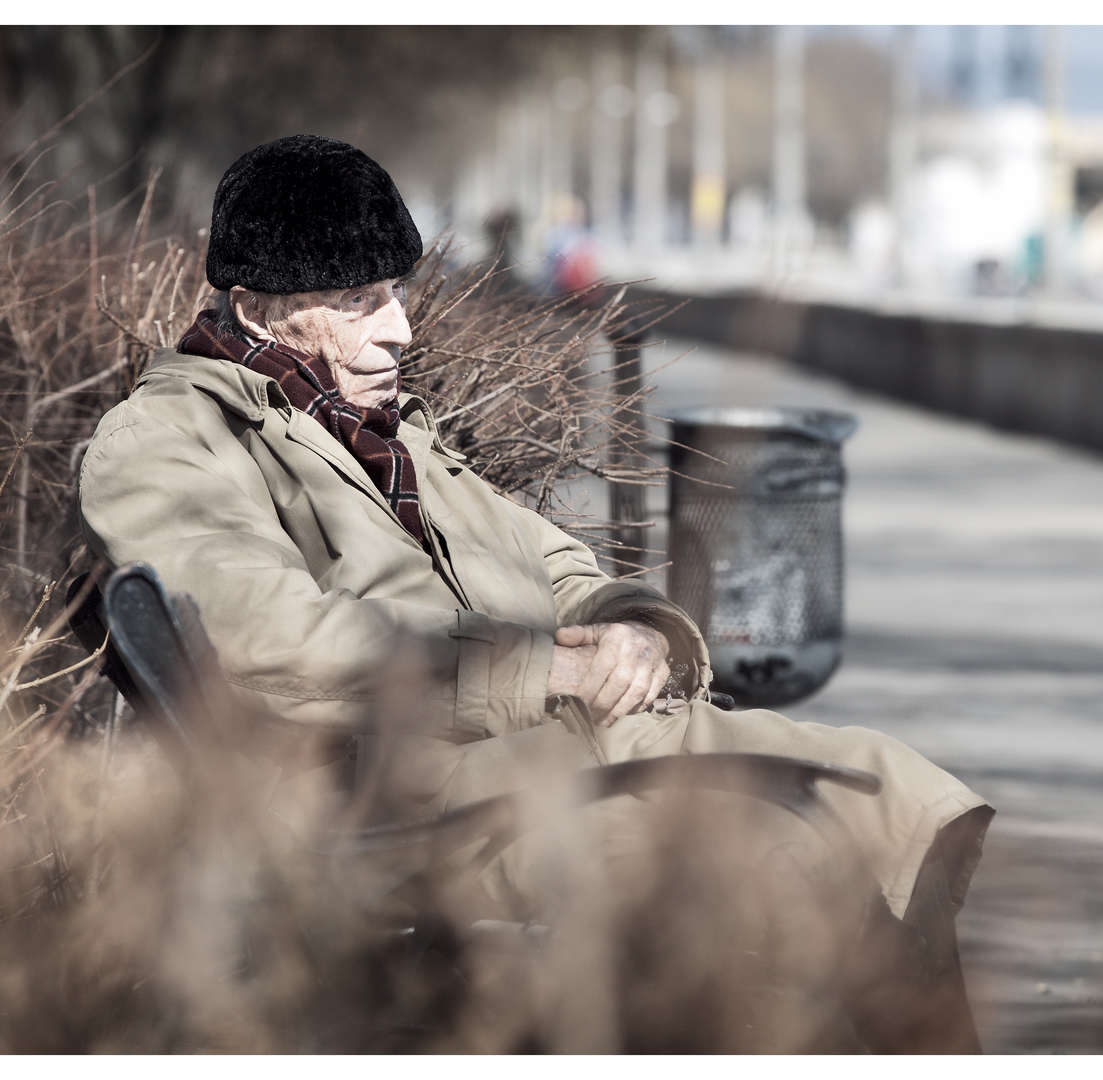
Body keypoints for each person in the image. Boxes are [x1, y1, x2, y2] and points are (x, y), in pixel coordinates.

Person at [77, 135, 993, 1052]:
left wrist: (628, 627)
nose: (399, 328)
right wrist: (538, 666)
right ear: (260, 309)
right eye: (361, 302)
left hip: (543, 752)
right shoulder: (165, 439)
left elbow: (548, 560)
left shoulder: (382, 433)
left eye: (393, 293)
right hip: (414, 805)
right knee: (781, 857)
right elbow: (266, 638)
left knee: (885, 792)